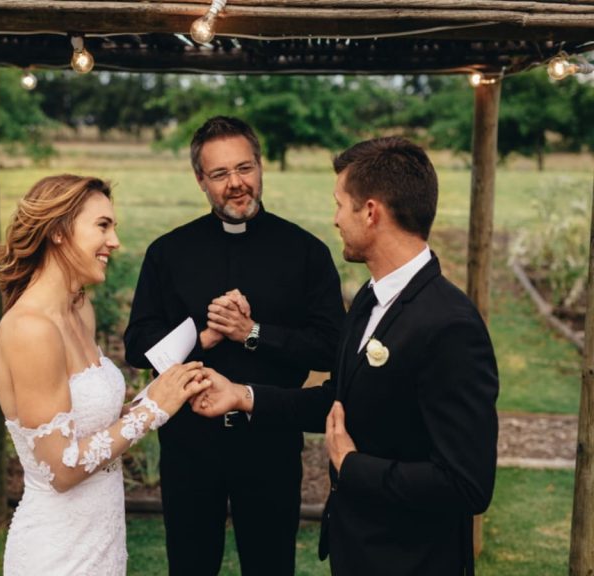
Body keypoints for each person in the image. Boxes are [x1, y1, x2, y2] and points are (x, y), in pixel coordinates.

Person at [192, 137, 499, 576]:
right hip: (357, 551)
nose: (335, 219)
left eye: (340, 204)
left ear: (370, 212)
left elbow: (467, 484)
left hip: (413, 560)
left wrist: (354, 468)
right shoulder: (369, 301)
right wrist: (242, 395)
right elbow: (338, 402)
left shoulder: (450, 326)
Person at [124, 116, 345, 575]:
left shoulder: (306, 252)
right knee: (190, 564)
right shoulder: (168, 253)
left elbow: (330, 348)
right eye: (220, 174)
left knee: (270, 564)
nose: (236, 184)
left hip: (270, 437)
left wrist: (254, 333)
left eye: (244, 168)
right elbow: (137, 346)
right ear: (201, 180)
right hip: (187, 443)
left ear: (261, 167)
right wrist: (201, 335)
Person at [0, 174, 210, 575]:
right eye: (102, 226)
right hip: (57, 551)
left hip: (103, 536)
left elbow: (89, 425)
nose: (115, 242)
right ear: (58, 232)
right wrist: (151, 413)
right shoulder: (30, 329)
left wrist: (157, 394)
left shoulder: (79, 310)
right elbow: (61, 468)